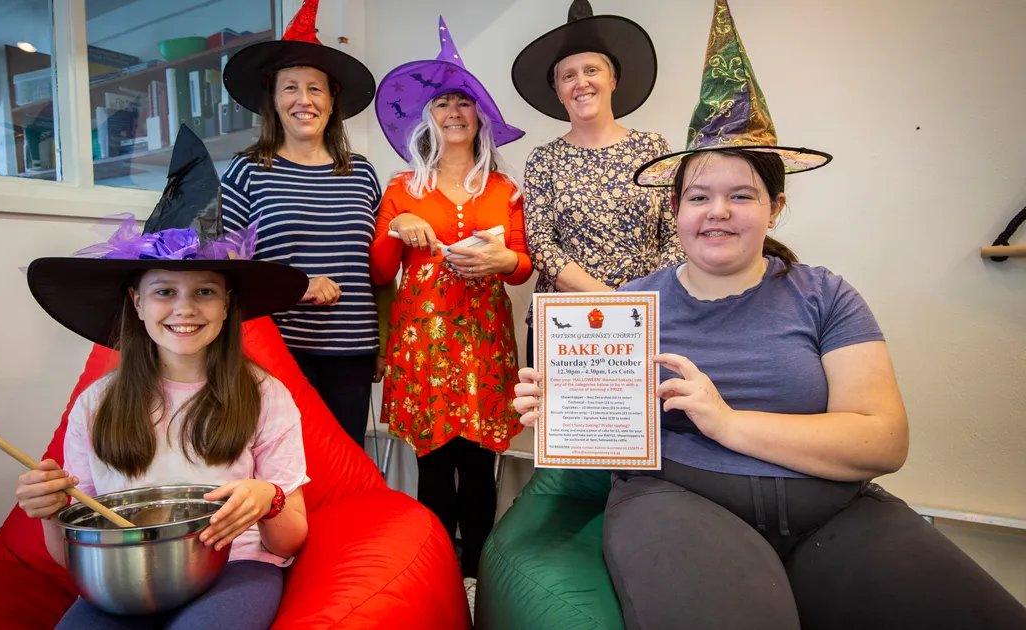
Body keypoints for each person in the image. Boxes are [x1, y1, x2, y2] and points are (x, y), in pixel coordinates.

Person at [512, 2, 1026, 628]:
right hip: (681, 500)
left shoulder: (824, 294)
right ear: (675, 209)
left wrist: (726, 422)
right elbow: (614, 425)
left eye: (742, 195)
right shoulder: (632, 310)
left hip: (837, 512)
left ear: (775, 206)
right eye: (699, 196)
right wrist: (571, 409)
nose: (718, 212)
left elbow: (883, 440)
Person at [17, 127, 312, 629]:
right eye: (164, 292)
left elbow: (287, 539)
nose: (184, 309)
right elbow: (70, 557)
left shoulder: (265, 396)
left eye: (204, 292)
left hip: (235, 566)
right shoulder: (96, 405)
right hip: (125, 574)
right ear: (136, 301)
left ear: (227, 307)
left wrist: (270, 499)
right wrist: (51, 510)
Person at [369, 17, 529, 586]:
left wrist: (505, 260)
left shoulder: (504, 189)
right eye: (443, 105)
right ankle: (436, 569)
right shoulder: (400, 188)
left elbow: (522, 267)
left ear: (480, 114)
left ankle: (481, 569)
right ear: (427, 118)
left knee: (480, 462)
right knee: (434, 463)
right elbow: (381, 271)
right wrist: (398, 225)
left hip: (483, 342)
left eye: (464, 102)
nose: (454, 113)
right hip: (424, 344)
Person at [220, 0, 389, 447]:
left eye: (315, 89)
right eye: (290, 88)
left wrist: (384, 339)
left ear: (333, 102)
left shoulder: (363, 173)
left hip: (353, 348)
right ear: (273, 102)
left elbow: (380, 267)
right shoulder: (247, 171)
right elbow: (226, 266)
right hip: (276, 350)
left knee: (347, 464)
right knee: (286, 466)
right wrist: (295, 285)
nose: (303, 100)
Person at [510, 0, 684, 365]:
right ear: (557, 90)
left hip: (646, 319)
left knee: (640, 421)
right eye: (567, 75)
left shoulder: (653, 148)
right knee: (567, 423)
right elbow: (541, 245)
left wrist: (643, 301)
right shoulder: (544, 159)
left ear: (613, 79)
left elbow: (677, 234)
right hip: (564, 323)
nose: (581, 82)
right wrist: (614, 301)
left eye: (592, 70)